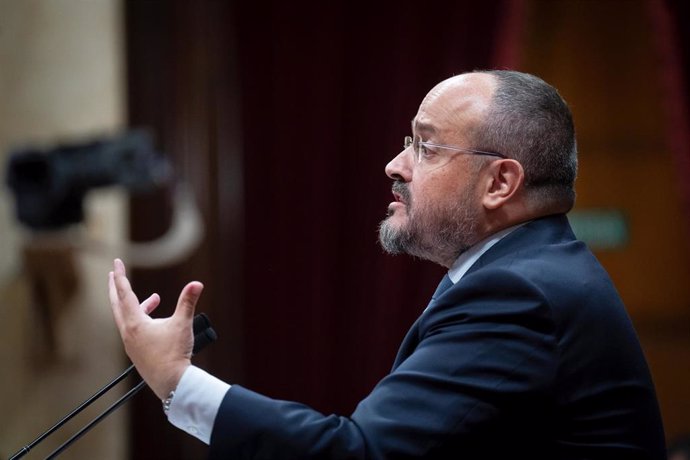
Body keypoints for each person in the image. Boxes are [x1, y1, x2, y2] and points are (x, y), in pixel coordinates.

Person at [109, 70, 667, 458]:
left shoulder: (519, 292)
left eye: (425, 147)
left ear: (500, 182)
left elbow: (364, 453)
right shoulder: (532, 270)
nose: (394, 164)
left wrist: (176, 381)